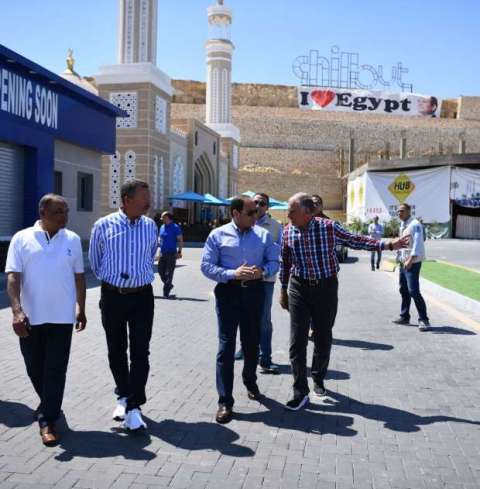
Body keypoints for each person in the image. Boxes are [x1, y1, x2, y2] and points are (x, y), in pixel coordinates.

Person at [279, 193, 408, 411]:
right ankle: (300, 391)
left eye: (292, 211)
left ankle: (318, 378)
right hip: (298, 288)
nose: (288, 215)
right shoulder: (287, 231)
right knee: (297, 341)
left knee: (322, 336)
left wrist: (387, 245)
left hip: (325, 289)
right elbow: (284, 261)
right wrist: (283, 289)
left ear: (308, 212)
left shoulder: (329, 227)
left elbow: (357, 240)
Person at [5, 194, 87, 446]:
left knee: (55, 369)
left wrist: (81, 308)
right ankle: (49, 403)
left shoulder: (72, 239)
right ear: (43, 213)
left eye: (66, 211)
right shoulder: (21, 238)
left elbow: (79, 277)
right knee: (34, 366)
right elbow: (13, 277)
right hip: (30, 317)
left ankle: (48, 420)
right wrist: (16, 311)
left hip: (62, 318)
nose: (65, 216)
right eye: (59, 211)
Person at [201, 196, 280, 424]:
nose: (256, 215)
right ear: (235, 213)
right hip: (228, 293)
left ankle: (250, 381)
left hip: (254, 293)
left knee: (252, 342)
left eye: (257, 211)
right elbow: (206, 266)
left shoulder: (263, 235)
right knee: (226, 346)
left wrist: (262, 271)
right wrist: (232, 274)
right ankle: (225, 400)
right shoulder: (217, 235)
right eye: (251, 212)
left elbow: (275, 262)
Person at [89, 179, 158, 431]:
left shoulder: (150, 226)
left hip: (142, 297)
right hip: (113, 297)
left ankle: (134, 405)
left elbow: (150, 255)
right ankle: (124, 396)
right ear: (127, 200)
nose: (149, 203)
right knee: (116, 350)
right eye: (144, 198)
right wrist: (115, 281)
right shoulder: (103, 225)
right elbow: (95, 262)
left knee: (141, 351)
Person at [234, 193, 283, 373]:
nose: (258, 206)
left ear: (267, 207)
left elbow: (279, 253)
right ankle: (245, 348)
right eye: (255, 202)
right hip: (243, 279)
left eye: (262, 203)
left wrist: (263, 269)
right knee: (243, 315)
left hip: (264, 280)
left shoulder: (275, 227)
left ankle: (265, 357)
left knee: (263, 319)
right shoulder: (242, 222)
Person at [392, 203, 430, 331]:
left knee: (413, 291)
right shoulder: (403, 224)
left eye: (402, 211)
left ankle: (424, 320)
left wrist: (411, 260)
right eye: (398, 211)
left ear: (409, 211)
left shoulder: (415, 224)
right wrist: (399, 257)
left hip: (412, 263)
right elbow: (403, 243)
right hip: (403, 262)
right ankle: (404, 316)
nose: (399, 213)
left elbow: (418, 243)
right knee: (403, 290)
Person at [158, 211, 183, 299]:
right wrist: (159, 247)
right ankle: (169, 285)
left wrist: (179, 252)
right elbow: (160, 238)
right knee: (160, 271)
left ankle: (166, 292)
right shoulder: (162, 227)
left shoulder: (175, 227)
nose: (161, 219)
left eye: (163, 218)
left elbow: (180, 240)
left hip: (172, 253)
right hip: (163, 253)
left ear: (168, 218)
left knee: (169, 273)